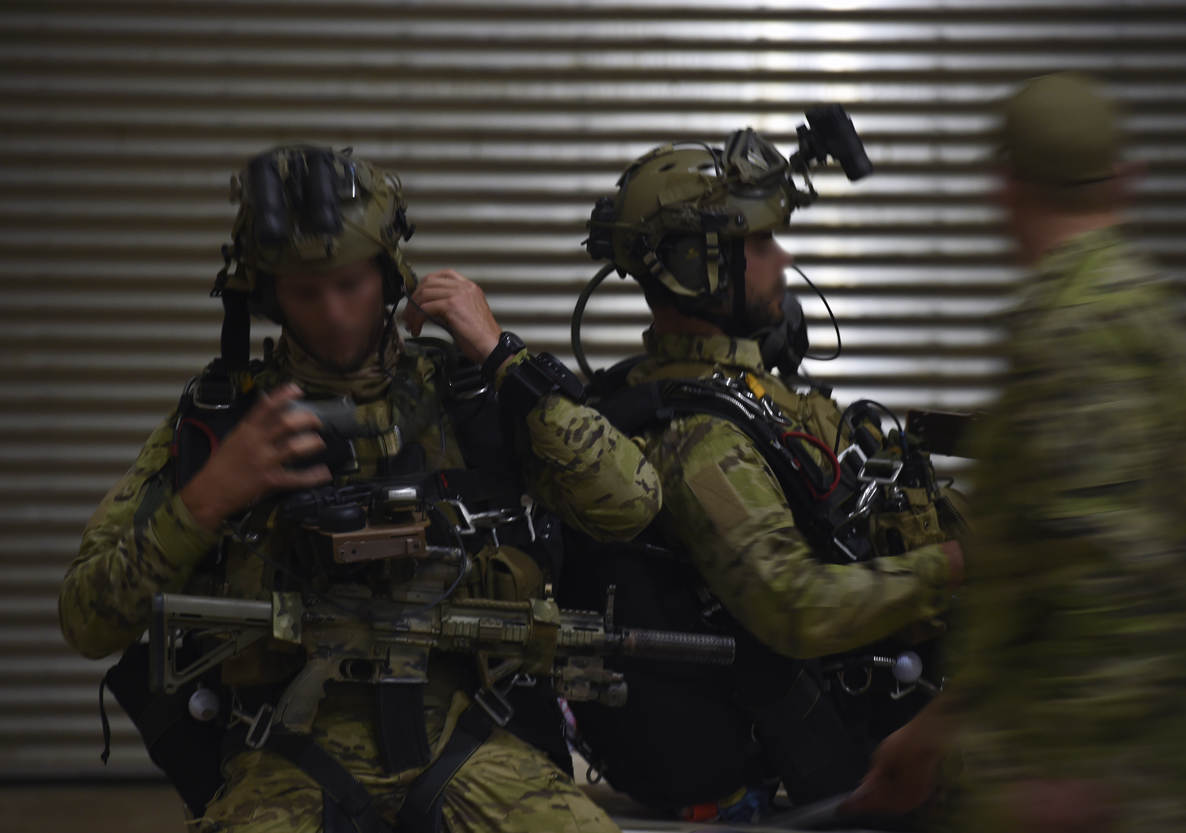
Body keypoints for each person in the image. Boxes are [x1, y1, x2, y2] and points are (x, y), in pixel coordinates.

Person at [58, 145, 663, 833]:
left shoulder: (467, 394)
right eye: (306, 292)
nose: (336, 313)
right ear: (267, 294)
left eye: (352, 284)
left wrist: (503, 354)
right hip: (282, 756)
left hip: (474, 741)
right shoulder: (223, 418)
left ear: (389, 273)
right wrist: (206, 499)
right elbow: (87, 619)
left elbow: (631, 503)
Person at [560, 115, 966, 820]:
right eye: (760, 243)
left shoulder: (747, 393)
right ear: (699, 266)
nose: (781, 259)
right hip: (846, 761)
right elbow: (795, 605)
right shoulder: (699, 439)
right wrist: (956, 567)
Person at [842, 72, 1186, 832]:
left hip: (1077, 771)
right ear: (1125, 181)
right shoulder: (1150, 312)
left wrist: (1069, 775)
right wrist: (932, 737)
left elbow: (1099, 567)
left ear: (1006, 189)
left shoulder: (1071, 333)